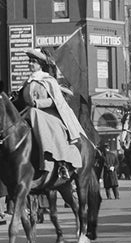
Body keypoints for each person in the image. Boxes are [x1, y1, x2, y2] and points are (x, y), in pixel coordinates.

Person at [18, 48, 85, 180]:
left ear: (40, 65)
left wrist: (38, 103)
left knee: (52, 129)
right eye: (30, 61)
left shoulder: (48, 80)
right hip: (29, 113)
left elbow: (56, 101)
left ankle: (61, 163)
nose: (30, 64)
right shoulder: (27, 82)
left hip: (47, 114)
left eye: (34, 62)